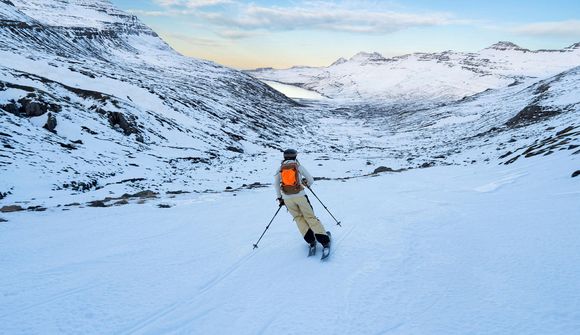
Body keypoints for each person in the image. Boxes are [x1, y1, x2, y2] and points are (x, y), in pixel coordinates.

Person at [274, 149, 330, 253]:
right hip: (300, 196)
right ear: (295, 156)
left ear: (284, 157)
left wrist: (280, 198)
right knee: (310, 217)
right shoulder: (298, 166)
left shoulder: (280, 169)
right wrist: (305, 183)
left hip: (287, 198)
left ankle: (311, 241)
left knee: (298, 218)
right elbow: (311, 180)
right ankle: (324, 241)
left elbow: (276, 185)